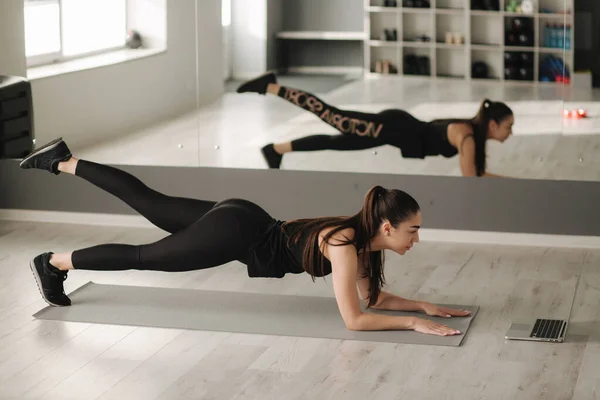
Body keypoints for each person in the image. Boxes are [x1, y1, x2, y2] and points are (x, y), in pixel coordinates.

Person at [19, 137, 472, 337]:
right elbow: (355, 318)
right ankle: (55, 263)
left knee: (152, 203)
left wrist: (423, 306)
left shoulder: (360, 242)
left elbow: (374, 300)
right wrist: (412, 324)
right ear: (388, 227)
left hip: (244, 217)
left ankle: (62, 160)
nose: (417, 238)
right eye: (413, 230)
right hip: (237, 233)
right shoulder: (344, 246)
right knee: (147, 256)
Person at [237, 72, 514, 177]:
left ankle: (275, 150)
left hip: (392, 132)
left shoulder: (471, 136)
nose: (510, 133)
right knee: (330, 114)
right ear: (492, 125)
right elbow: (472, 180)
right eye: (508, 127)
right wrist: (513, 184)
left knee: (337, 143)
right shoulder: (465, 136)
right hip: (390, 128)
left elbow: (476, 175)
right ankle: (270, 86)